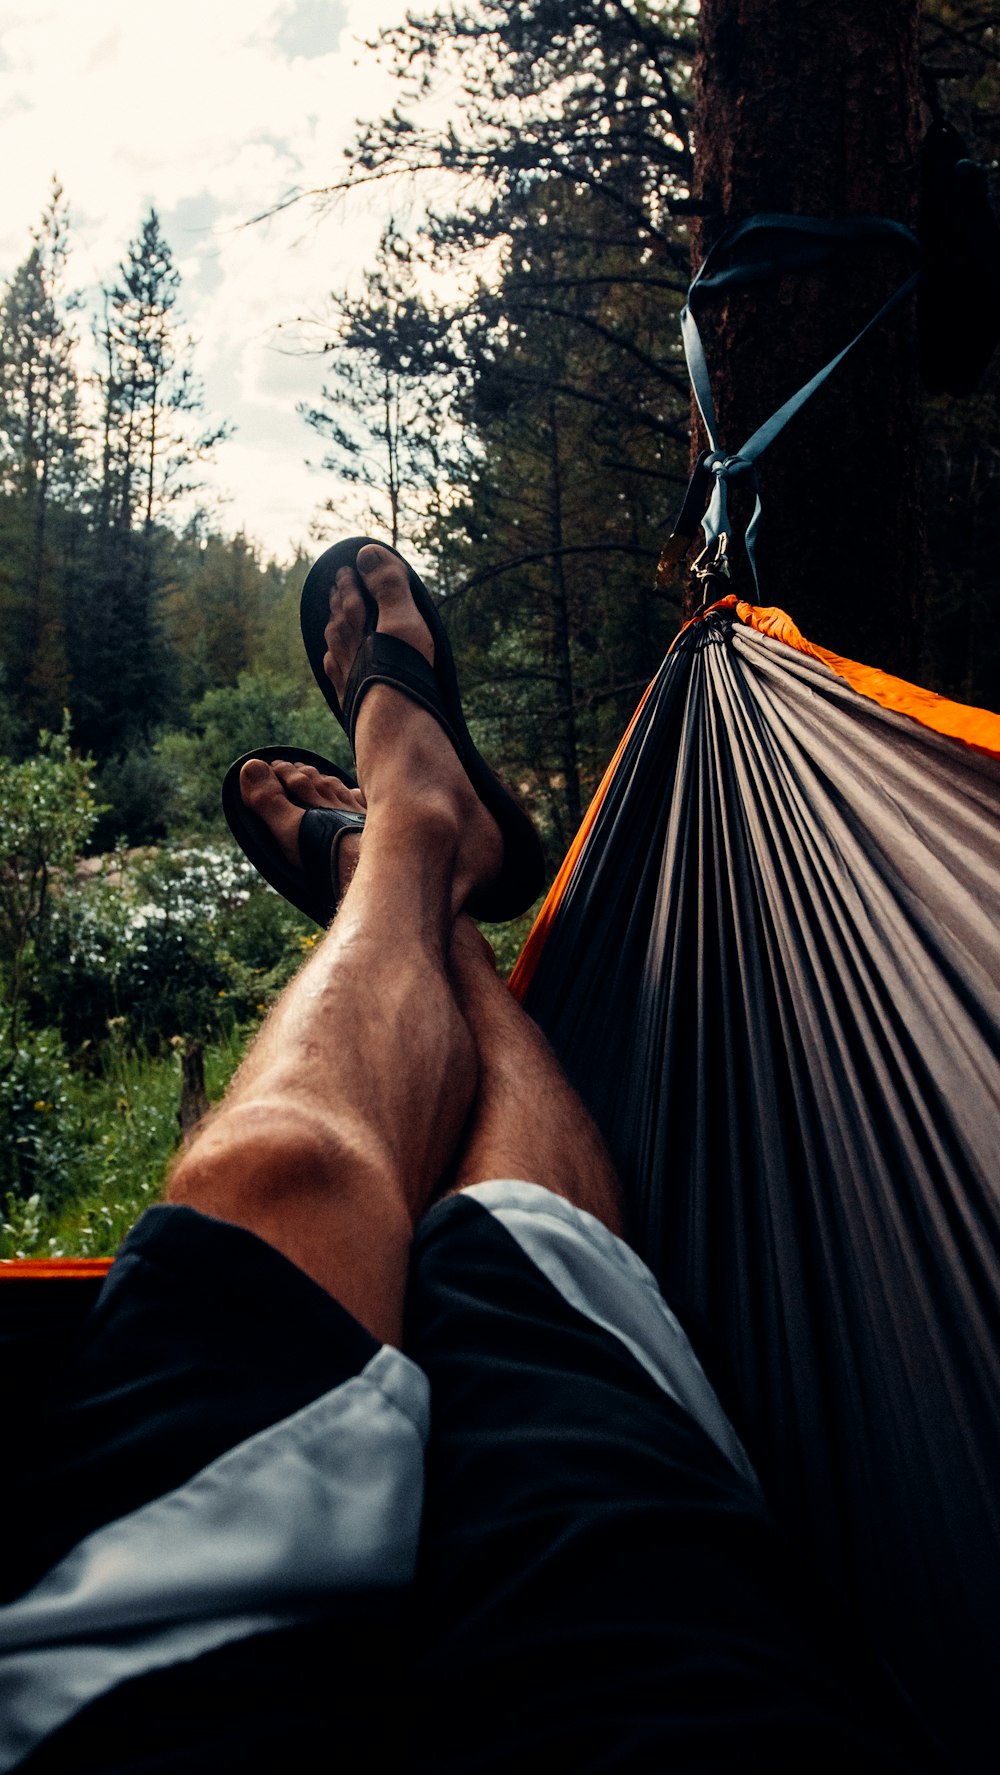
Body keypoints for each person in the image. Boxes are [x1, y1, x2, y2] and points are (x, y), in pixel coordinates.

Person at [0, 545, 941, 1773]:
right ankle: (423, 834)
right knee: (504, 1286)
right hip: (650, 1682)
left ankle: (391, 858)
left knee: (266, 1201)